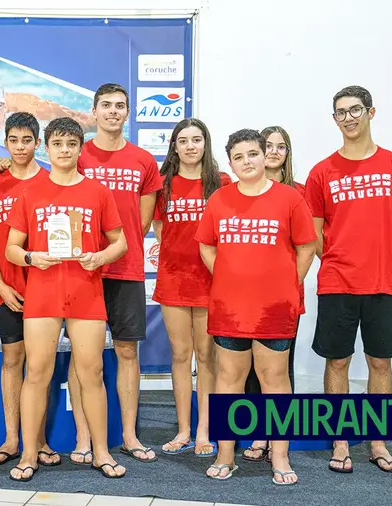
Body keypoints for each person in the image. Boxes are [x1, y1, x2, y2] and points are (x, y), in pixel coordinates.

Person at [5, 117, 128, 482]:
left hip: (86, 291)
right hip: (43, 292)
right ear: (47, 147)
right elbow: (12, 248)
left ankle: (101, 452)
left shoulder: (97, 192)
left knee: (91, 372)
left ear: (79, 148)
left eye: (71, 144)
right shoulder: (30, 192)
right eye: (57, 144)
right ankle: (28, 455)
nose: (64, 151)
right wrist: (31, 258)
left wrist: (101, 257)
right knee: (37, 372)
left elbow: (120, 242)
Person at [305, 85, 392, 474]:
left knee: (380, 362)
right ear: (334, 119)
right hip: (337, 281)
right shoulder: (322, 171)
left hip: (385, 281)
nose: (348, 117)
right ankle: (340, 442)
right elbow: (315, 232)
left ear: (371, 113)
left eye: (355, 109)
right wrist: (341, 260)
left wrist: (379, 257)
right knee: (337, 361)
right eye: (340, 112)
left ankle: (378, 442)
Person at [195, 128, 316, 485]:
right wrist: (229, 276)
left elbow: (307, 246)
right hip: (229, 309)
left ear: (265, 156)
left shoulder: (290, 199)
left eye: (252, 154)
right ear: (230, 163)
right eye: (238, 157)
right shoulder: (219, 199)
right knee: (229, 381)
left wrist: (285, 282)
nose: (246, 162)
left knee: (274, 382)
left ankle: (280, 457)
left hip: (275, 309)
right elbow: (207, 245)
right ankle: (225, 454)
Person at [64, 83, 162, 464]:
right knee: (80, 356)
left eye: (120, 106)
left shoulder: (143, 160)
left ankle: (129, 435)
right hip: (81, 270)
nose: (113, 112)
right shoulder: (79, 153)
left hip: (125, 268)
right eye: (105, 105)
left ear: (128, 112)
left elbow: (143, 220)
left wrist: (114, 250)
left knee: (126, 351)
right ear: (93, 110)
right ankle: (84, 438)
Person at [0, 112, 60, 467]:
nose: (21, 147)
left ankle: (38, 439)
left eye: (28, 140)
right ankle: (13, 438)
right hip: (8, 285)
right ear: (5, 142)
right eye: (14, 140)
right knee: (13, 360)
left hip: (47, 288)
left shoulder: (50, 179)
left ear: (37, 143)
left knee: (40, 364)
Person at [151, 118, 230, 457]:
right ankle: (183, 429)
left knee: (207, 357)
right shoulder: (163, 183)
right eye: (183, 141)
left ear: (205, 144)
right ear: (175, 146)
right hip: (173, 279)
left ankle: (204, 430)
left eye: (197, 140)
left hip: (212, 280)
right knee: (181, 356)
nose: (190, 146)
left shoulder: (221, 183)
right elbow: (158, 226)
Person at [242, 125, 305, 463]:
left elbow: (306, 247)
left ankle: (278, 439)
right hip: (244, 300)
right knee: (250, 372)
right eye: (268, 145)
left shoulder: (299, 192)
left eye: (282, 147)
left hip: (283, 300)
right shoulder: (242, 191)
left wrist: (285, 286)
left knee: (281, 372)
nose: (274, 152)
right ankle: (257, 434)